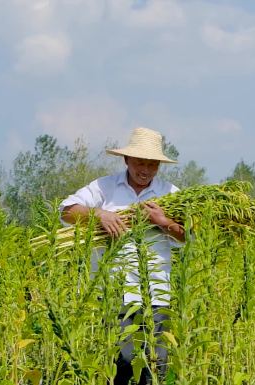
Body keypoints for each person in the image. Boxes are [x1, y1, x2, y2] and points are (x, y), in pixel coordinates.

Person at [59, 127, 184, 384]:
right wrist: (100, 215)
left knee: (156, 362)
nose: (145, 170)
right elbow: (66, 212)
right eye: (140, 162)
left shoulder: (171, 193)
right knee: (122, 361)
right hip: (116, 292)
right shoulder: (105, 187)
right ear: (126, 160)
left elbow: (190, 236)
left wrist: (163, 222)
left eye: (152, 164)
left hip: (156, 292)